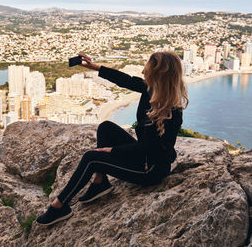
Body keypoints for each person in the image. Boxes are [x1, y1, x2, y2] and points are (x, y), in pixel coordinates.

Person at [36, 52, 189, 226]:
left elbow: (149, 149)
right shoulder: (151, 91)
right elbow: (126, 80)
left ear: (158, 74)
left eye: (148, 68)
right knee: (106, 127)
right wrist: (94, 67)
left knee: (91, 158)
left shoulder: (171, 112)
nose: (143, 71)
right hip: (143, 155)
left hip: (150, 170)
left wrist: (113, 151)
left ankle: (59, 206)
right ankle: (99, 182)